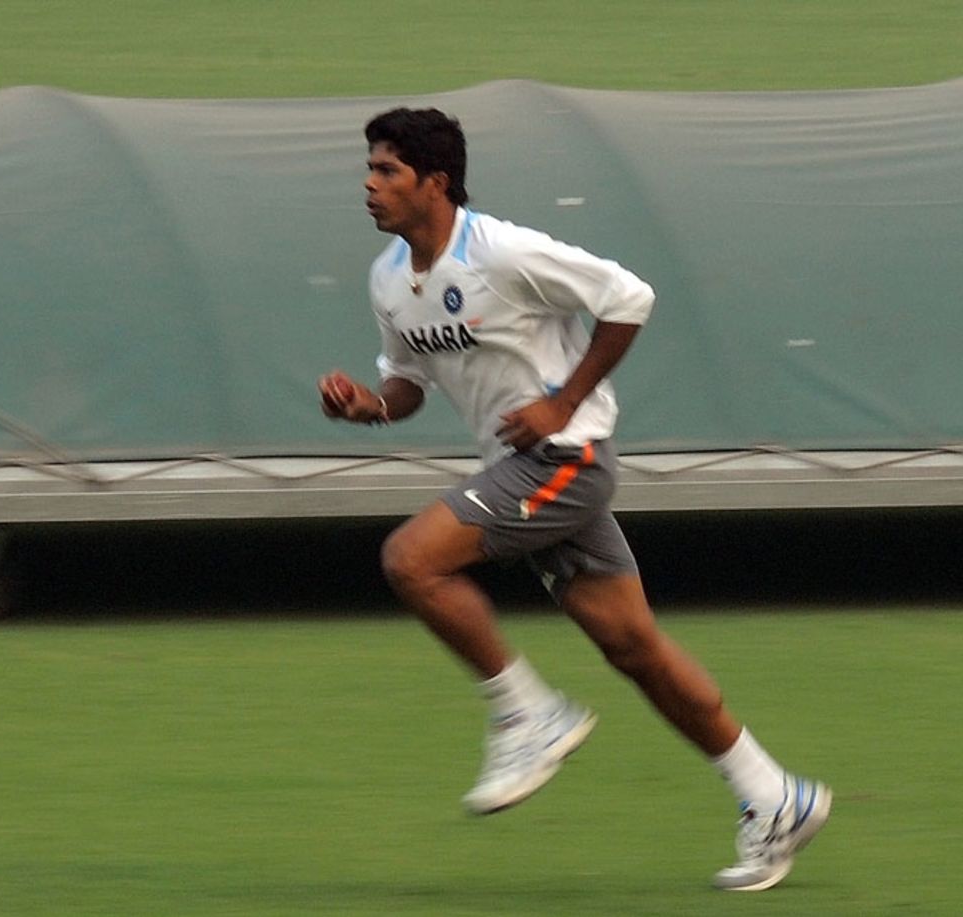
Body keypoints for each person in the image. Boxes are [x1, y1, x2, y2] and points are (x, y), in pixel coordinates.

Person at [318, 106, 830, 892]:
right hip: (523, 468)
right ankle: (774, 794)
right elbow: (409, 380)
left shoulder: (504, 251)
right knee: (635, 649)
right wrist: (370, 405)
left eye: (386, 170)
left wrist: (563, 401)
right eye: (370, 168)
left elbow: (629, 296)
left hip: (566, 457)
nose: (369, 184)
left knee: (410, 560)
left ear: (436, 181)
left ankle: (530, 714)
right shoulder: (390, 278)